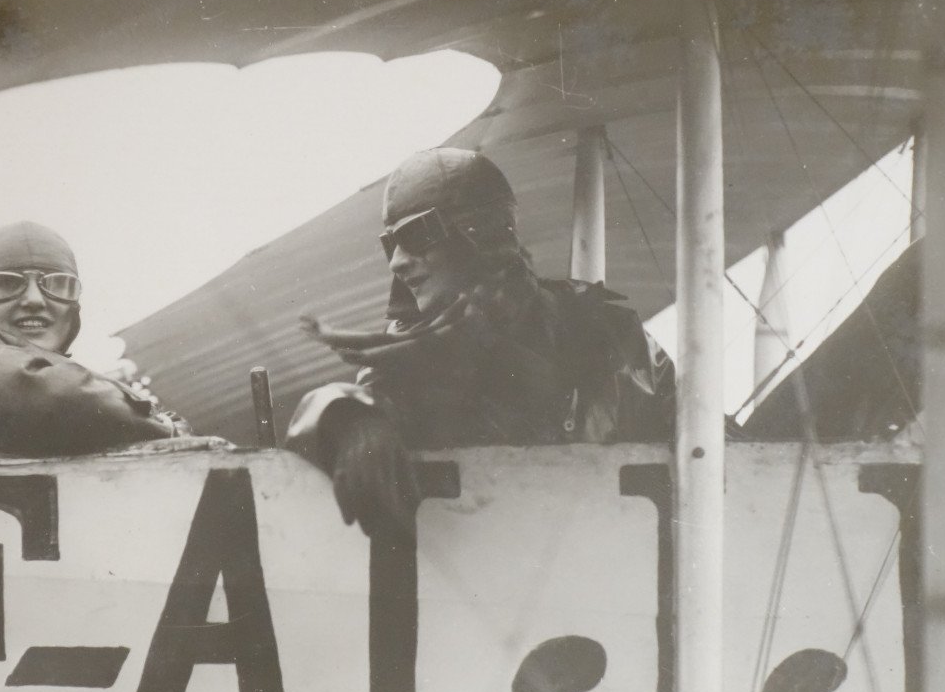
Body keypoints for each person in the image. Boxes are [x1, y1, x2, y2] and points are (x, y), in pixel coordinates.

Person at [286, 148, 675, 534]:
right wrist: (349, 418)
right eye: (392, 243)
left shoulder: (608, 331)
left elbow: (703, 442)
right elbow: (356, 405)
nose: (397, 261)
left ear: (480, 230)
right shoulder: (404, 362)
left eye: (417, 235)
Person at [0, 221, 190, 459]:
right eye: (5, 284)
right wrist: (164, 426)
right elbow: (51, 396)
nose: (33, 299)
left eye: (57, 284)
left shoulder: (66, 379)